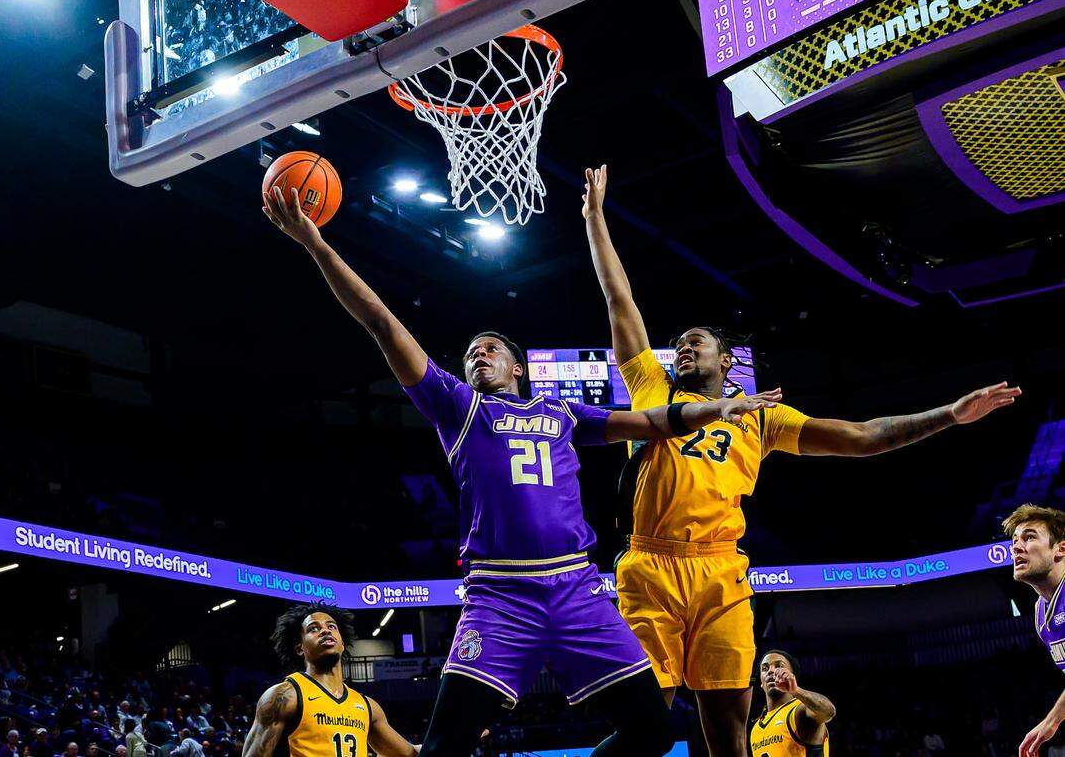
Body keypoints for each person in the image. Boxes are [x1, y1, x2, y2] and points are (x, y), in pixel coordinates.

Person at [264, 188, 786, 756]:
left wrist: (717, 408)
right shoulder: (458, 407)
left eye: (489, 349)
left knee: (655, 731)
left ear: (517, 366)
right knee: (443, 748)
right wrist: (316, 245)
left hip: (577, 589)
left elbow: (651, 420)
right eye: (470, 354)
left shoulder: (562, 412)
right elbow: (383, 324)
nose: (477, 356)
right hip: (499, 595)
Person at [581, 163, 1022, 756]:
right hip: (649, 565)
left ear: (727, 362)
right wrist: (595, 219)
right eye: (679, 343)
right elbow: (619, 298)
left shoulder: (763, 417)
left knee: (728, 731)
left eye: (697, 342)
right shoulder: (652, 394)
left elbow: (866, 436)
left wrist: (949, 414)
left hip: (721, 570)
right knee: (649, 727)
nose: (683, 347)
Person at [241, 602, 420, 757]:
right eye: (314, 628)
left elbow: (408, 753)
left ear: (342, 643)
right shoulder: (284, 696)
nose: (325, 630)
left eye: (331, 626)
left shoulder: (367, 707)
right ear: (299, 648)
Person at [1004, 504, 1065, 757]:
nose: (1017, 546)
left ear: (1061, 548)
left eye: (1029, 537)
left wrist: (1051, 721)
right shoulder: (1041, 615)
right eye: (1015, 541)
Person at [750, 651, 833, 756]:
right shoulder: (755, 729)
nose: (771, 671)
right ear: (761, 683)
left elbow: (829, 711)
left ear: (792, 676)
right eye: (765, 668)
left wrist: (796, 690)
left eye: (779, 666)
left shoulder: (799, 711)